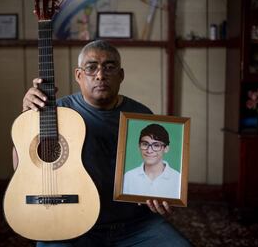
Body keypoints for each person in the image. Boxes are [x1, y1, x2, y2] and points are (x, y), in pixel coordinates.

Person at [16, 40, 191, 246]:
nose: (100, 75)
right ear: (78, 75)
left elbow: (154, 172)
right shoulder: (55, 112)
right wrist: (27, 118)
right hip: (72, 224)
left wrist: (160, 195)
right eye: (91, 68)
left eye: (109, 67)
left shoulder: (141, 115)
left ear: (121, 75)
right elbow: (22, 167)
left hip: (136, 224)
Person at [123, 124, 181, 199]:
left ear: (166, 148)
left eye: (156, 145)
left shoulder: (178, 179)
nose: (149, 150)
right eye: (145, 144)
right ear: (139, 146)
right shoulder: (128, 177)